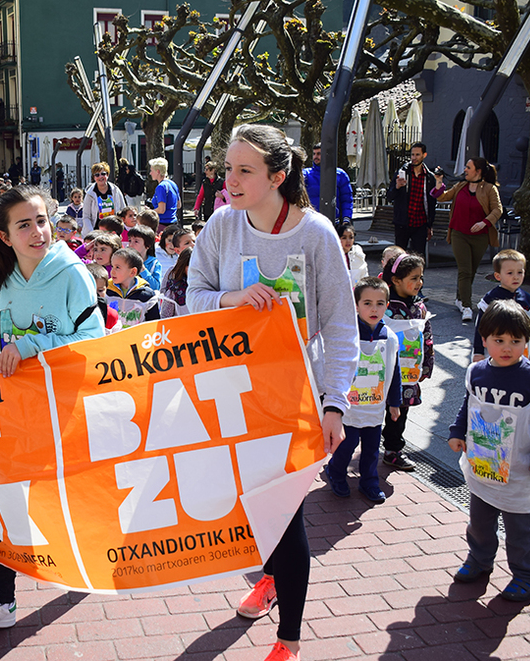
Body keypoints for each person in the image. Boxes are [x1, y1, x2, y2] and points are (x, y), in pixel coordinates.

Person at [187, 124, 357, 661]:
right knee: (252, 510)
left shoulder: (317, 234)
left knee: (286, 513)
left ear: (278, 177)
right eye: (227, 168)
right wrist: (232, 298)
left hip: (295, 397)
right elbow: (193, 295)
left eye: (244, 171)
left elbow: (341, 325)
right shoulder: (221, 225)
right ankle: (270, 578)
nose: (230, 180)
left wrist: (335, 403)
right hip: (232, 394)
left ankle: (290, 638)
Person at [0, 185, 104, 632]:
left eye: (41, 221)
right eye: (24, 225)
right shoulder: (7, 274)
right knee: (8, 497)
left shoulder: (72, 273)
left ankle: (88, 564)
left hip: (66, 409)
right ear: (5, 237)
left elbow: (93, 338)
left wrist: (32, 346)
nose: (38, 232)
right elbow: (4, 323)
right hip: (18, 408)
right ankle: (3, 601)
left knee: (68, 498)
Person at [449, 300, 530, 602]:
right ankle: (479, 560)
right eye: (499, 340)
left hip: (520, 470)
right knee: (480, 523)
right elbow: (469, 405)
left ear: (527, 341)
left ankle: (525, 574)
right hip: (483, 466)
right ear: (484, 340)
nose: (507, 348)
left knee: (520, 528)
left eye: (516, 341)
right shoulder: (477, 372)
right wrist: (457, 432)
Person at [325, 276, 402, 503]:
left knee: (371, 449)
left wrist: (394, 402)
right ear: (356, 305)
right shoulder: (348, 336)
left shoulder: (390, 338)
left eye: (380, 303)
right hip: (349, 407)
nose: (374, 309)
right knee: (346, 445)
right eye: (367, 303)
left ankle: (369, 482)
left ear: (387, 306)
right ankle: (336, 472)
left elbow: (394, 370)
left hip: (375, 407)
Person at [432, 157, 504, 322]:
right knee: (465, 270)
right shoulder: (460, 186)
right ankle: (466, 306)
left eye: (468, 167)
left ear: (478, 171)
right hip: (459, 234)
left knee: (470, 270)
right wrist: (439, 181)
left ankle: (460, 298)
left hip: (480, 237)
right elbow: (441, 197)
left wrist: (484, 222)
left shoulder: (489, 189)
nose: (465, 170)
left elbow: (497, 210)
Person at [381, 253, 434, 471]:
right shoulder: (384, 304)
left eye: (421, 277)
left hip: (407, 372)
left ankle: (392, 450)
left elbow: (426, 336)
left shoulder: (419, 306)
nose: (419, 282)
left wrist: (427, 363)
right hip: (381, 370)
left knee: (400, 412)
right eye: (414, 278)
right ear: (396, 280)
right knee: (374, 409)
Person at [473, 249, 530, 364]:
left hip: (520, 351)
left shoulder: (526, 298)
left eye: (520, 272)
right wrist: (478, 352)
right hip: (496, 352)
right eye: (510, 273)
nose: (516, 277)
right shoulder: (491, 298)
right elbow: (480, 327)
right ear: (498, 276)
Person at [386, 142, 435, 258]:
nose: (414, 158)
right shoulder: (402, 172)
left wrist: (430, 225)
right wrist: (397, 187)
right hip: (403, 222)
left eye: (417, 155)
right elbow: (389, 196)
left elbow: (432, 202)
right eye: (412, 154)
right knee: (399, 256)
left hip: (420, 223)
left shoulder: (429, 177)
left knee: (418, 257)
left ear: (424, 155)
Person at [107, 248, 160, 324]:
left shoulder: (147, 296)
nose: (112, 271)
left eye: (117, 267)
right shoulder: (106, 290)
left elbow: (153, 325)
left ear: (132, 272)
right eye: (112, 266)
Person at [303, 143, 353, 224]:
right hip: (312, 221)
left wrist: (346, 219)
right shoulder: (306, 174)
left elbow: (347, 199)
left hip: (334, 222)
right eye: (314, 154)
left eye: (319, 154)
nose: (315, 157)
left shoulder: (340, 174)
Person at [81, 163, 127, 235]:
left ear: (107, 175)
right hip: (95, 230)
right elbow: (86, 216)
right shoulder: (90, 193)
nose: (100, 177)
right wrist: (91, 232)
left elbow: (123, 209)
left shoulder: (115, 190)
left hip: (112, 230)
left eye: (103, 174)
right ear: (94, 177)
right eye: (97, 175)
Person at [149, 157, 180, 231]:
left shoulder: (161, 187)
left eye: (151, 170)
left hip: (162, 224)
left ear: (158, 171)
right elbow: (178, 205)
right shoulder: (173, 184)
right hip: (174, 223)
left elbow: (161, 210)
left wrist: (149, 211)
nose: (150, 173)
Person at [126, 225, 161, 290]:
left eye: (136, 241)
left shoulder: (154, 263)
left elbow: (156, 287)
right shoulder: (124, 260)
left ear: (147, 245)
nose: (131, 245)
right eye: (130, 240)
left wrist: (143, 270)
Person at [159, 247, 191, 319]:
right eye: (191, 266)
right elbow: (165, 317)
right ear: (183, 266)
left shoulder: (207, 286)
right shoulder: (174, 289)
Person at [337, 221, 369, 286]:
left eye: (351, 237)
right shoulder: (334, 254)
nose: (348, 241)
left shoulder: (358, 253)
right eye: (344, 238)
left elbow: (364, 273)